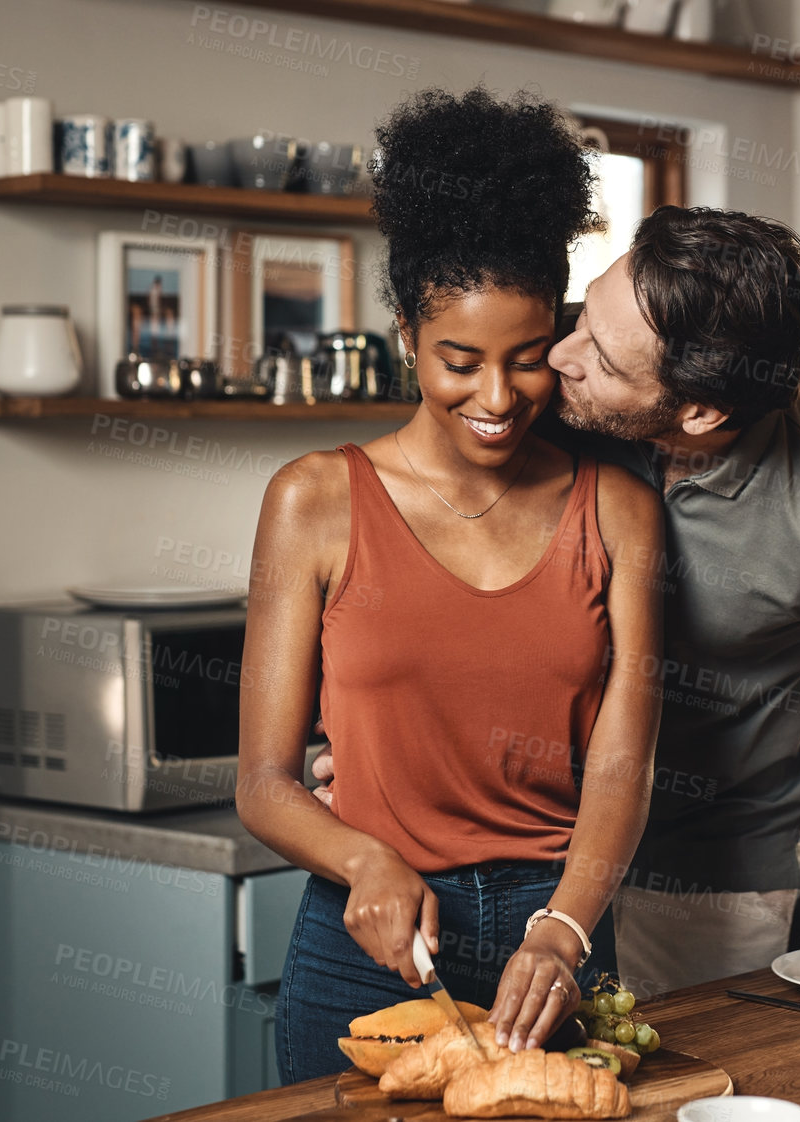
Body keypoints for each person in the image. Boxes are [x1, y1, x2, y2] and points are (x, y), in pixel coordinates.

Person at [321, 205, 800, 998]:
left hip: (702, 887)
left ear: (698, 411)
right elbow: (422, 550)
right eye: (583, 315)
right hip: (513, 860)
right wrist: (362, 740)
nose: (559, 354)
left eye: (602, 357)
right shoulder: (538, 367)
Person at [236, 88, 663, 1085]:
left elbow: (623, 766)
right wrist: (362, 859)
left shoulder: (617, 511)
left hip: (552, 941)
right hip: (363, 939)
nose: (498, 398)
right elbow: (261, 781)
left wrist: (562, 929)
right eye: (459, 362)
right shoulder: (314, 502)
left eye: (526, 361)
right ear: (403, 333)